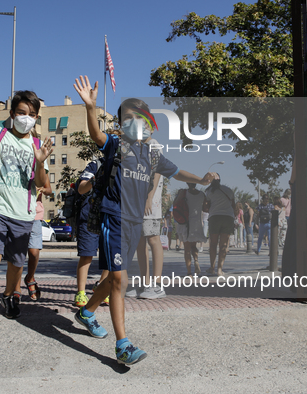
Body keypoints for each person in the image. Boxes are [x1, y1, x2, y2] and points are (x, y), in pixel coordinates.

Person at [72, 75, 215, 365]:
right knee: (118, 281)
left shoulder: (150, 154)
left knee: (114, 278)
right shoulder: (115, 144)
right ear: (120, 123)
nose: (134, 122)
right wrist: (90, 108)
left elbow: (177, 172)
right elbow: (96, 136)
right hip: (113, 218)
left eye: (138, 117)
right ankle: (123, 345)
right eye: (128, 118)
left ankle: (86, 312)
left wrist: (201, 179)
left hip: (135, 222)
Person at [0, 90, 52, 343]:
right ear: (12, 114)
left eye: (31, 115)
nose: (26, 118)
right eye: (21, 113)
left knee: (17, 263)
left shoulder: (37, 146)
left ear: (36, 118)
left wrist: (40, 163)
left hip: (22, 213)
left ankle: (8, 295)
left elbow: (42, 184)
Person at [131, 136, 167, 299]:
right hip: (138, 203)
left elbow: (157, 171)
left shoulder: (153, 144)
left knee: (153, 239)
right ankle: (145, 285)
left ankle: (158, 285)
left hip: (150, 204)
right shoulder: (138, 146)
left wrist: (149, 198)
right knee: (140, 242)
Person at [74, 159, 109, 307]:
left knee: (111, 255)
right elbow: (81, 189)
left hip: (110, 215)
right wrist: (95, 178)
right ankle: (81, 292)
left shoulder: (126, 165)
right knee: (87, 255)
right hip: (89, 215)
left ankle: (101, 285)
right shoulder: (96, 164)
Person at [205, 176, 235, 277]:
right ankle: (220, 269)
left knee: (213, 244)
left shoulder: (209, 191)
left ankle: (212, 268)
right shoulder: (228, 190)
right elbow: (233, 205)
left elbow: (206, 206)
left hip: (215, 217)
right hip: (228, 217)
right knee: (223, 245)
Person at [176, 183, 208, 277]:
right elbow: (205, 208)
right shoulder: (202, 194)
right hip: (196, 223)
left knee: (187, 249)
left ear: (187, 183)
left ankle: (189, 272)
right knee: (194, 246)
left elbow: (175, 204)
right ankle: (196, 261)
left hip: (185, 222)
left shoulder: (183, 193)